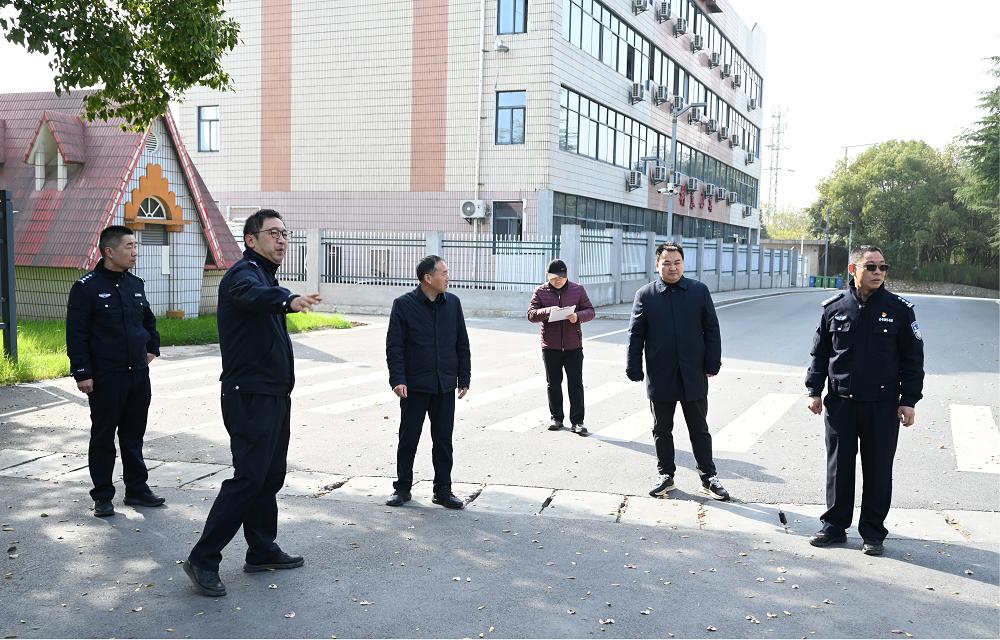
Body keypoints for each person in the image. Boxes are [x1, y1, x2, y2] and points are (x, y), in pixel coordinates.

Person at [184, 209, 321, 597]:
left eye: (285, 233)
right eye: (273, 233)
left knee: (270, 475)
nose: (282, 240)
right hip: (249, 396)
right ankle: (203, 558)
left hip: (273, 394)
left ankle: (261, 549)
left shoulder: (265, 276)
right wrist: (288, 299)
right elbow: (256, 297)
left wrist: (283, 296)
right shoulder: (243, 275)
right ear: (251, 239)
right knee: (248, 478)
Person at [805, 245, 924, 556]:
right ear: (853, 269)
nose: (878, 272)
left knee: (878, 470)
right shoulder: (834, 308)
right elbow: (820, 354)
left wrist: (909, 400)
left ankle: (873, 532)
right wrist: (814, 391)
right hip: (841, 403)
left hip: (882, 406)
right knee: (838, 467)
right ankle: (834, 526)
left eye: (883, 267)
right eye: (871, 267)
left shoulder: (899, 309)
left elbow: (913, 359)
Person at [66, 225, 163, 518]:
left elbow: (148, 320)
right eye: (129, 247)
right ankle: (103, 496)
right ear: (109, 251)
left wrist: (152, 347)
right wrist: (82, 372)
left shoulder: (135, 284)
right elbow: (77, 334)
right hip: (107, 375)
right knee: (103, 436)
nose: (135, 252)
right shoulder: (86, 288)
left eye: (135, 246)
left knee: (134, 435)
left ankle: (137, 489)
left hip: (137, 374)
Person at [626, 242, 730, 501]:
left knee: (699, 428)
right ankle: (666, 475)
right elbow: (636, 334)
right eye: (667, 263)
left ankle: (708, 477)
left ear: (683, 264)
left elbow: (712, 329)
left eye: (677, 263)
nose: (672, 268)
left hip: (693, 373)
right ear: (657, 265)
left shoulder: (698, 291)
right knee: (662, 429)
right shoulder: (646, 295)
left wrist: (712, 363)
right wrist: (633, 366)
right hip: (660, 374)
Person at [384, 255, 471, 510]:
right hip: (414, 386)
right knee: (408, 438)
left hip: (444, 385)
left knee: (443, 440)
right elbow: (394, 347)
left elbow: (462, 343)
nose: (448, 277)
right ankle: (402, 488)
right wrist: (397, 379)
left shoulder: (453, 303)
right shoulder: (403, 305)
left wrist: (464, 377)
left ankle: (443, 490)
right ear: (428, 278)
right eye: (443, 273)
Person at [527, 259, 595, 435]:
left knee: (576, 384)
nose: (558, 280)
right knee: (553, 384)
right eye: (554, 277)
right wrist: (548, 311)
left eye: (561, 277)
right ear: (547, 276)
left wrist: (577, 316)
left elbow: (590, 311)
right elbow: (531, 315)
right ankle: (556, 418)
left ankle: (577, 422)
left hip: (574, 346)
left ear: (566, 275)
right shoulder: (540, 291)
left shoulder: (577, 289)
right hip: (550, 346)